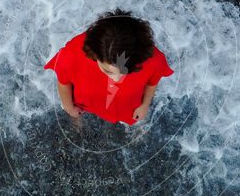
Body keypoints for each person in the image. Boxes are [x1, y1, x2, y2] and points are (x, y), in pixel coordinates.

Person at [44, 9, 174, 127]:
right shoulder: (71, 55)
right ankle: (77, 120)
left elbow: (152, 82)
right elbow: (64, 82)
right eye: (108, 71)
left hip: (126, 106)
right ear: (94, 55)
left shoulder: (153, 59)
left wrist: (144, 105)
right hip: (85, 102)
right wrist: (69, 107)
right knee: (75, 114)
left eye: (125, 71)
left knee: (136, 121)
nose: (117, 79)